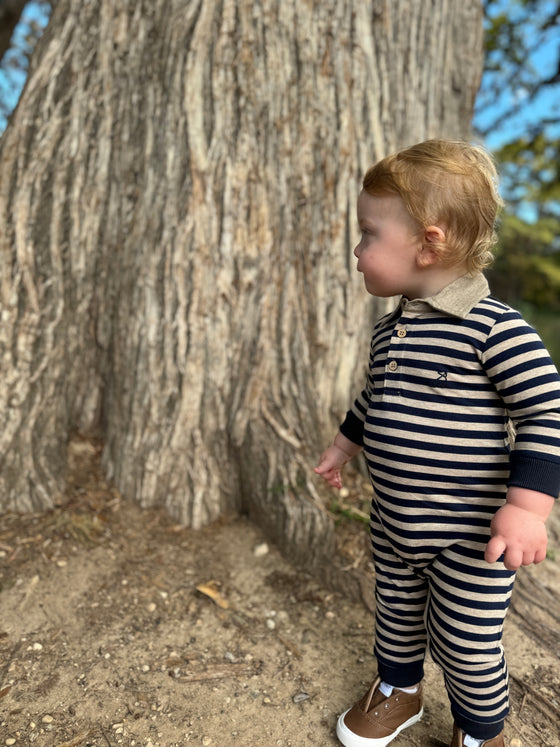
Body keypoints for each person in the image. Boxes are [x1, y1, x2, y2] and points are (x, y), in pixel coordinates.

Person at [314, 139, 560, 747]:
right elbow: (375, 402)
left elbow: (544, 410)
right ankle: (399, 691)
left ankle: (480, 731)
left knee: (467, 643)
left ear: (430, 242)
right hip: (396, 522)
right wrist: (344, 448)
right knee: (394, 619)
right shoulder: (391, 328)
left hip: (469, 536)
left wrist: (529, 508)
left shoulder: (496, 330)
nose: (357, 248)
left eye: (369, 233)